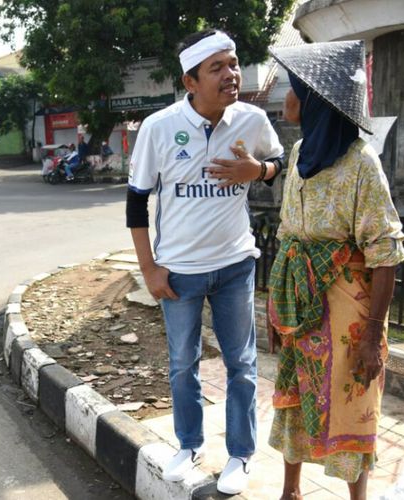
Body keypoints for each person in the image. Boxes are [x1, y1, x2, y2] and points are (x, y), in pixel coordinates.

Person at [126, 29, 285, 495]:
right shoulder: (159, 128)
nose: (231, 75)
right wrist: (149, 269)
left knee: (242, 363)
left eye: (233, 64)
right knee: (182, 363)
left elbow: (279, 163)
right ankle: (189, 444)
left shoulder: (251, 121)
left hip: (236, 264)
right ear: (190, 80)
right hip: (178, 273)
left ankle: (240, 455)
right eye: (217, 68)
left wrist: (257, 171)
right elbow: (137, 205)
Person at [266, 41, 404, 500]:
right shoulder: (300, 154)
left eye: (293, 92)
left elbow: (385, 256)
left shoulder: (362, 166)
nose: (285, 101)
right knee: (294, 396)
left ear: (314, 102)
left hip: (348, 311)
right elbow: (289, 238)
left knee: (351, 404)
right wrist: (277, 309)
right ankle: (291, 490)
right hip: (302, 305)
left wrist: (371, 337)